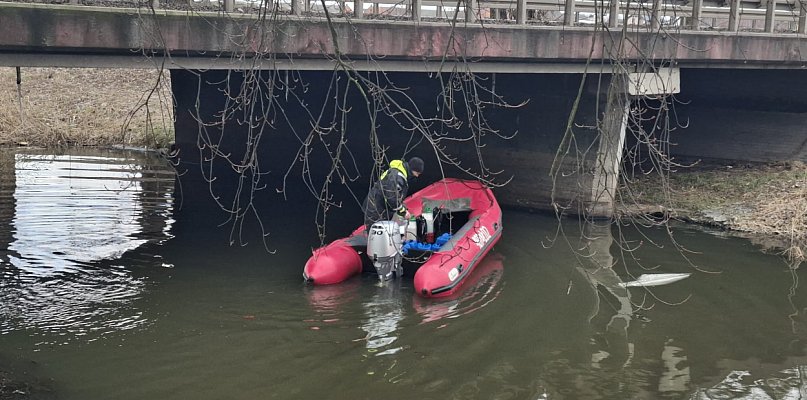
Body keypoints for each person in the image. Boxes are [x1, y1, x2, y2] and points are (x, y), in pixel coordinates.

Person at [363, 157, 424, 230]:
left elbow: (396, 196)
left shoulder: (400, 174)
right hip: (375, 209)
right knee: (377, 236)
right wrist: (403, 212)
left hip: (380, 207)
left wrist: (402, 208)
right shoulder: (396, 176)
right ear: (412, 169)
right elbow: (392, 198)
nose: (417, 176)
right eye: (417, 173)